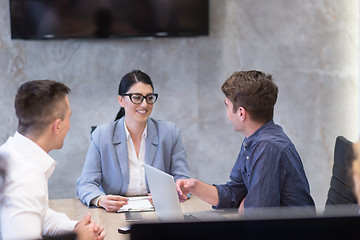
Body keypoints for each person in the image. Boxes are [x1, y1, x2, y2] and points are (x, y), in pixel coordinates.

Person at [176, 70, 315, 212]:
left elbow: (256, 214)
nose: (227, 113)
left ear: (241, 113)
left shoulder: (267, 147)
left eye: (227, 106)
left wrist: (244, 205)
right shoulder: (253, 139)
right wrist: (194, 186)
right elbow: (235, 194)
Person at [0, 80, 105, 240]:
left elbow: (38, 213)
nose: (69, 125)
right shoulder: (24, 175)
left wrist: (74, 228)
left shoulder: (13, 151)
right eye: (69, 118)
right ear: (56, 126)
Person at [77, 70, 190, 212]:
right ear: (121, 101)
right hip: (114, 212)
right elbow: (86, 184)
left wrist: (171, 195)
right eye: (137, 97)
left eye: (149, 97)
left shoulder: (169, 132)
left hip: (159, 210)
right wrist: (101, 200)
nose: (144, 104)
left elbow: (183, 179)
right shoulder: (102, 134)